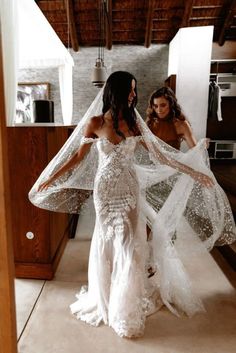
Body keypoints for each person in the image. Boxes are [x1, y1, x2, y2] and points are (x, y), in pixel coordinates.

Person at [29, 71, 235, 338]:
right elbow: (77, 157)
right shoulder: (94, 122)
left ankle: (125, 309)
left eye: (134, 91)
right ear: (117, 91)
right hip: (104, 192)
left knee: (127, 243)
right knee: (105, 241)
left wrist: (194, 171)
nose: (133, 95)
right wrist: (51, 177)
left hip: (128, 189)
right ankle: (105, 294)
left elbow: (162, 156)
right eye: (130, 90)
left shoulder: (135, 124)